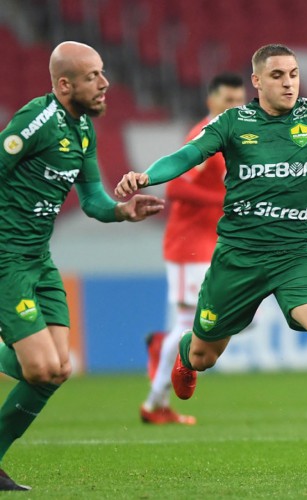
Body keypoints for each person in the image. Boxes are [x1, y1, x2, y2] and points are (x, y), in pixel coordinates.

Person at [115, 44, 307, 459]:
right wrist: (146, 176)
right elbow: (189, 155)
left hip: (295, 254)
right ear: (258, 81)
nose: (289, 83)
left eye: (294, 74)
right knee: (204, 353)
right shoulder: (232, 122)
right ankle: (184, 356)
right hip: (238, 258)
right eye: (279, 75)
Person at [0, 41, 164, 491]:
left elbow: (92, 200)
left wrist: (122, 211)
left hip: (39, 258)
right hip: (7, 259)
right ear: (65, 83)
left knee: (58, 370)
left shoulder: (84, 129)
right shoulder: (36, 121)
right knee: (37, 368)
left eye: (103, 72)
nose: (105, 82)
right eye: (93, 75)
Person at [140, 72, 246, 426]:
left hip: (211, 242)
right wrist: (224, 198)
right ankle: (155, 404)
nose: (234, 107)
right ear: (211, 102)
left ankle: (161, 360)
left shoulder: (233, 135)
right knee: (190, 324)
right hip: (189, 244)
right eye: (227, 101)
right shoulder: (204, 136)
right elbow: (176, 190)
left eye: (238, 101)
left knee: (217, 317)